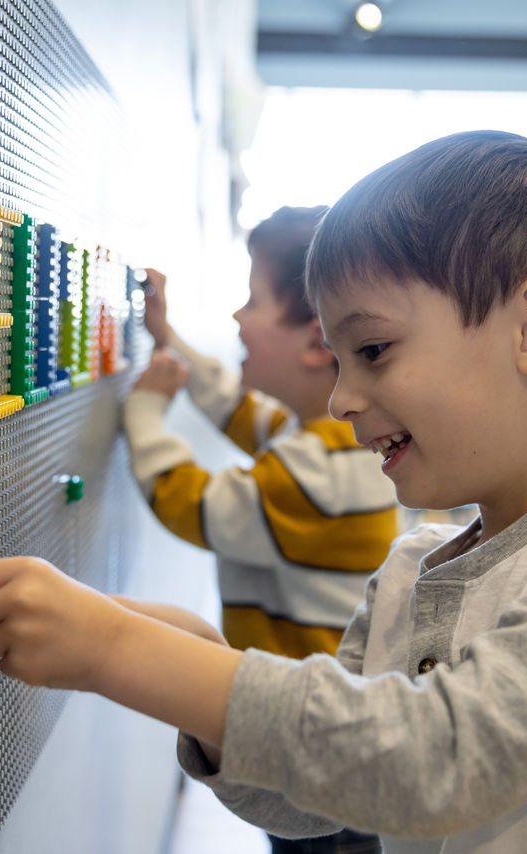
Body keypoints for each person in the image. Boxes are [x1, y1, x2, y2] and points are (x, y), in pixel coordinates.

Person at [0, 131, 527, 853]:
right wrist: (198, 652)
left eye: (373, 350)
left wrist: (119, 650)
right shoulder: (411, 569)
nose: (341, 400)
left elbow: (438, 758)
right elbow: (317, 798)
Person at [126, 206, 399, 854]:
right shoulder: (326, 442)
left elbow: (191, 503)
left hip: (319, 766)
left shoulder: (318, 472)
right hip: (319, 748)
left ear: (315, 342)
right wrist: (170, 339)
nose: (236, 317)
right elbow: (238, 407)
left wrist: (143, 416)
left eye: (252, 301)